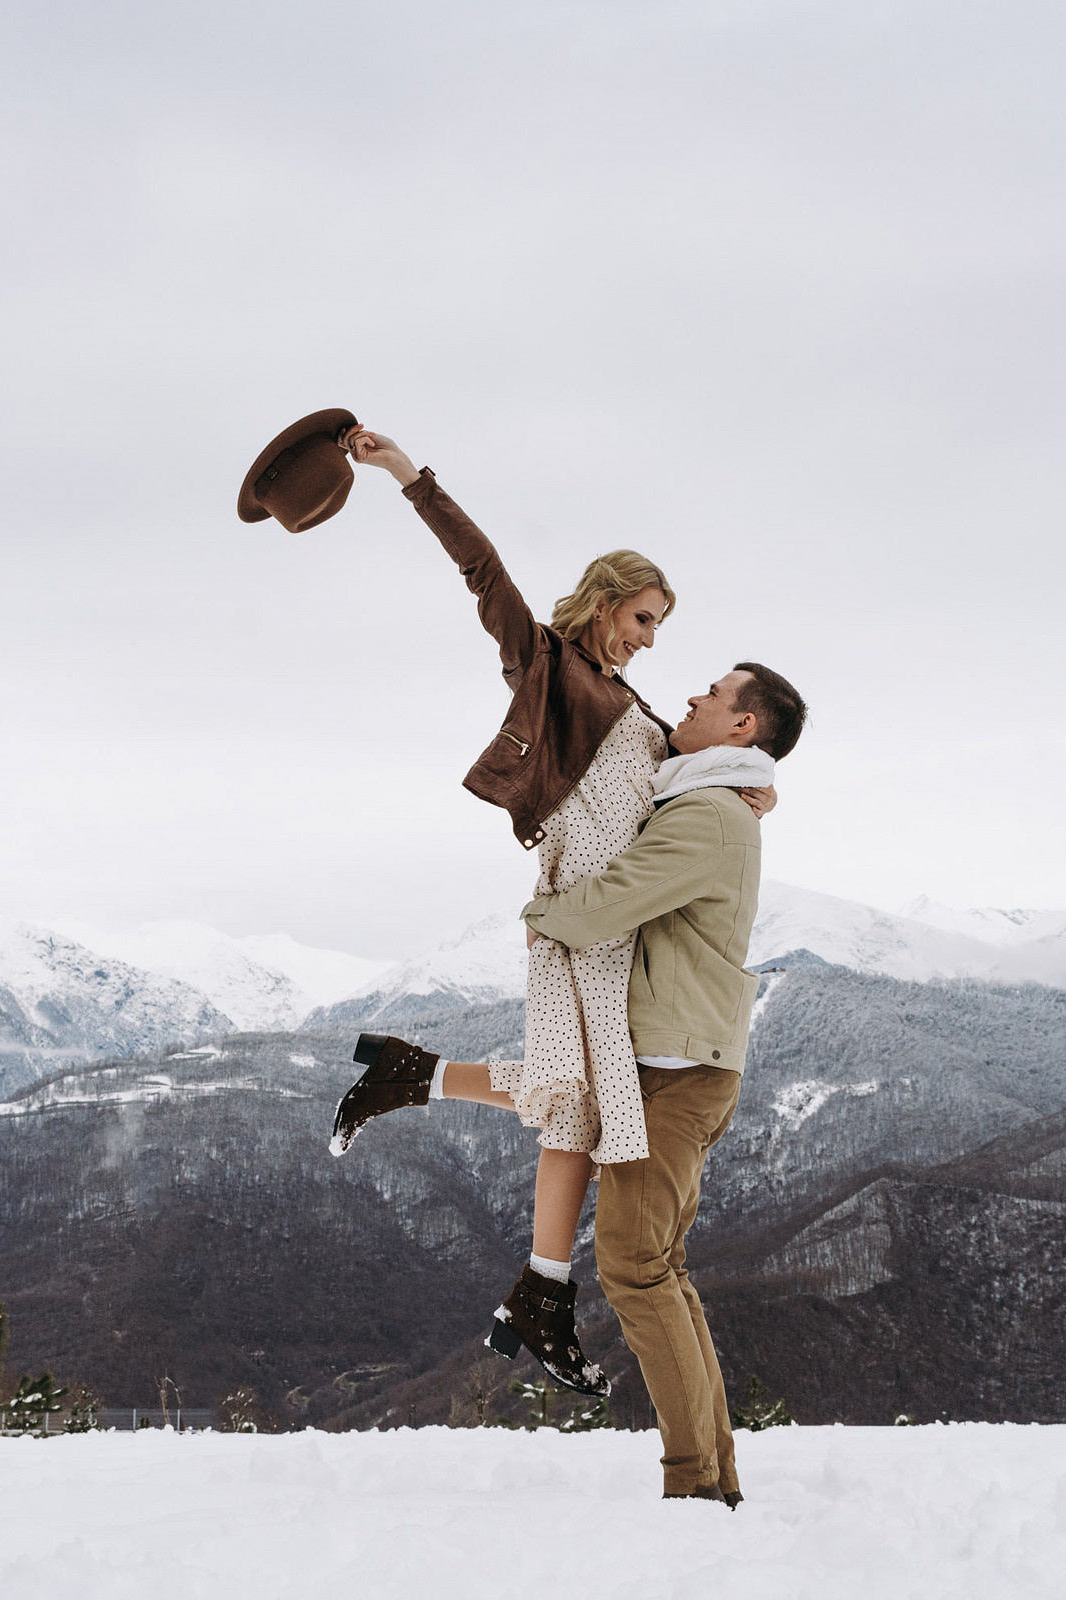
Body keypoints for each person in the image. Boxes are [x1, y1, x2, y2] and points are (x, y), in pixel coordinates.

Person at [327, 426, 773, 1396]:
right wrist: (407, 474)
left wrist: (748, 788)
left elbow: (682, 786)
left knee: (573, 1099)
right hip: (580, 921)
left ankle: (521, 1251)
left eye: (660, 625)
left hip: (627, 925)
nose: (652, 637)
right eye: (646, 616)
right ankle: (537, 1282)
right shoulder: (546, 666)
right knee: (583, 1101)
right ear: (608, 600)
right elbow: (478, 567)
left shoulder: (636, 703)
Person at [517, 657, 805, 1503]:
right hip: (685, 1064)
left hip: (675, 1076)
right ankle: (714, 1478)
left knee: (636, 1271)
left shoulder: (711, 815)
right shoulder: (712, 800)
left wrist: (536, 915)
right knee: (662, 1269)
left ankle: (695, 1488)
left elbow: (611, 900)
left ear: (743, 728)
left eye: (715, 695)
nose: (692, 695)